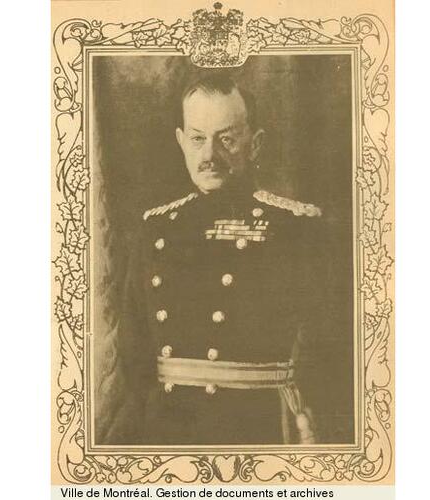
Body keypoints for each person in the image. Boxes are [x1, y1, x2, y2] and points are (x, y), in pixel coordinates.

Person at [99, 74, 338, 446]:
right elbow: (135, 356)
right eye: (197, 139)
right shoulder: (155, 228)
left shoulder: (295, 228)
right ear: (181, 142)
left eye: (226, 139)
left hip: (257, 428)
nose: (208, 156)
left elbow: (325, 351)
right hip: (168, 430)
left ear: (254, 144)